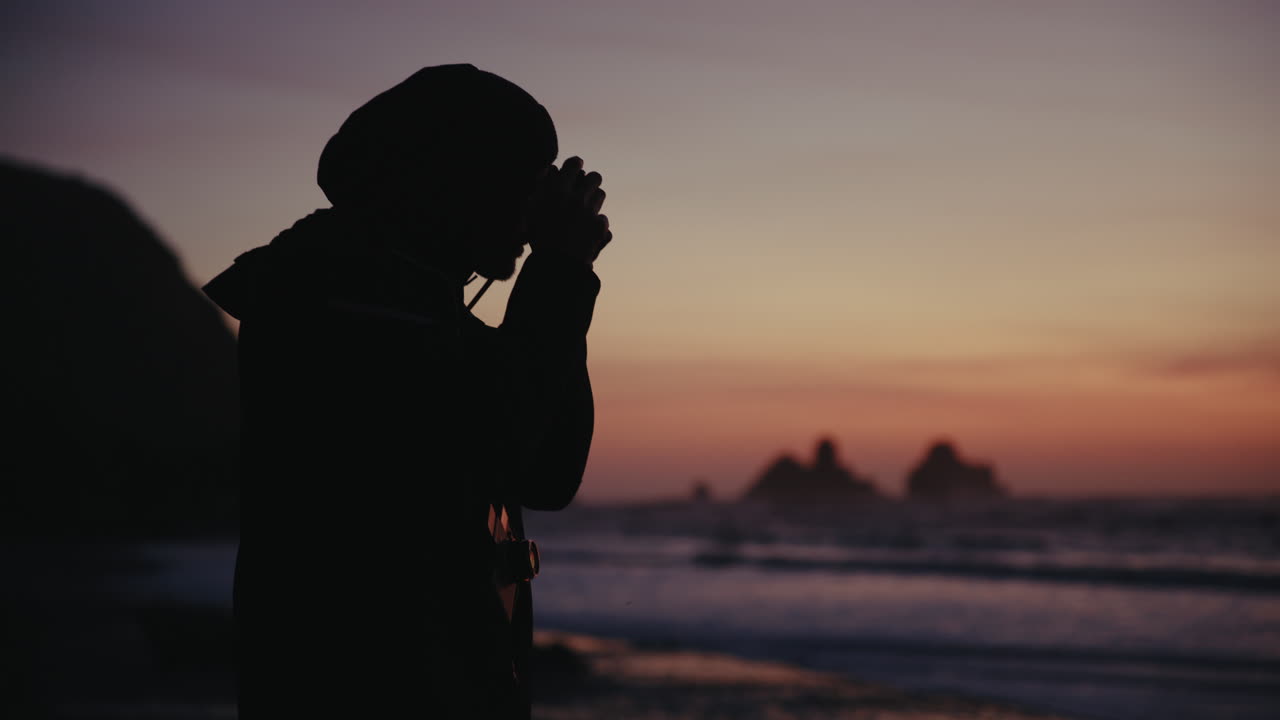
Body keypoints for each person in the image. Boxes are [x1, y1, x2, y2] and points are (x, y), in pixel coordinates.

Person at [203, 64, 611, 719]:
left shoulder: (425, 307)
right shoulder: (334, 296)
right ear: (448, 182)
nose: (529, 208)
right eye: (519, 180)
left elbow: (549, 471)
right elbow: (498, 441)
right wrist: (558, 273)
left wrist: (565, 277)